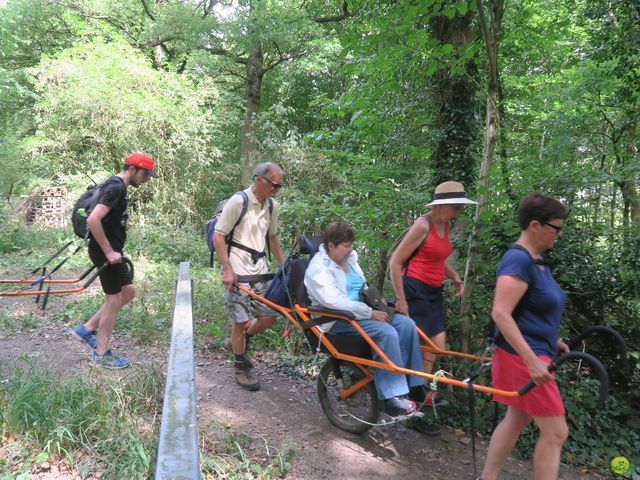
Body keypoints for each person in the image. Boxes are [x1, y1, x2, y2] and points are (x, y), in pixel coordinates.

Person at [478, 192, 569, 480]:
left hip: (535, 351)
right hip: (521, 357)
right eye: (555, 227)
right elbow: (501, 313)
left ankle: (487, 477)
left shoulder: (538, 261)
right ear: (534, 225)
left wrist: (551, 339)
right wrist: (531, 360)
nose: (560, 233)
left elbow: (530, 310)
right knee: (556, 433)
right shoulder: (518, 261)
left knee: (517, 418)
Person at [304, 222, 425, 417]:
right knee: (386, 332)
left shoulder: (351, 260)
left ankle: (414, 384)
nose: (350, 250)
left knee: (407, 324)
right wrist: (369, 313)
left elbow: (361, 287)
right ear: (331, 246)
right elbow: (334, 302)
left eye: (351, 245)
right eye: (345, 246)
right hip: (337, 319)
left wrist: (376, 301)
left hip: (362, 312)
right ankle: (389, 398)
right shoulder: (318, 268)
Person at [390, 181, 477, 400]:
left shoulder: (445, 224)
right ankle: (415, 392)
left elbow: (436, 257)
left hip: (434, 292)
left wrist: (453, 275)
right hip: (415, 290)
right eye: (456, 207)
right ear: (440, 205)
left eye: (460, 208)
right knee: (429, 345)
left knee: (437, 346)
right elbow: (395, 262)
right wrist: (401, 300)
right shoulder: (422, 225)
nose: (459, 212)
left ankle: (417, 389)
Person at [70, 152, 158, 369]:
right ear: (132, 169)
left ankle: (86, 329)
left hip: (113, 252)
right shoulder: (116, 188)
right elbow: (93, 219)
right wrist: (109, 251)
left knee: (128, 292)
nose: (146, 179)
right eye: (145, 174)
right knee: (114, 300)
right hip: (105, 253)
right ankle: (102, 354)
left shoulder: (115, 185)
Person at [213, 162, 285, 391]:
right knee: (240, 320)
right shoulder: (239, 201)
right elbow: (219, 236)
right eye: (274, 184)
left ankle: (239, 342)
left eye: (279, 186)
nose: (276, 189)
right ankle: (240, 367)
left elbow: (272, 238)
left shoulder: (272, 206)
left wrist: (285, 265)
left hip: (261, 270)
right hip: (238, 270)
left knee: (270, 317)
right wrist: (227, 269)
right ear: (258, 180)